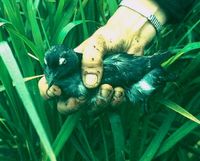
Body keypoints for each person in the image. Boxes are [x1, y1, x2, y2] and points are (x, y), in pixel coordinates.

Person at [38, 0, 194, 114]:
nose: (51, 76)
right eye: (48, 68)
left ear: (68, 59)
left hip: (145, 72)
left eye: (61, 64)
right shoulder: (62, 75)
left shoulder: (101, 69)